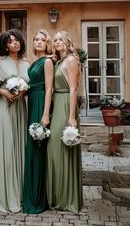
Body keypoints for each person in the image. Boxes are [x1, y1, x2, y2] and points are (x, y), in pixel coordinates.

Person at [0, 29, 30, 212]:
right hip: (3, 107)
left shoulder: (26, 63)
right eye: (10, 41)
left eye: (17, 40)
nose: (15, 43)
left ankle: (21, 193)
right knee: (7, 148)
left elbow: (29, 86)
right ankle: (5, 194)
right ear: (5, 45)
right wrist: (4, 92)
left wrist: (23, 91)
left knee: (19, 146)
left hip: (20, 108)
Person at [46, 31, 83, 214]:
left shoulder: (71, 61)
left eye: (61, 39)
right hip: (58, 104)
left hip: (66, 105)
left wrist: (71, 116)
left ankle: (67, 198)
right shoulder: (59, 61)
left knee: (61, 148)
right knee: (55, 149)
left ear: (68, 43)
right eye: (55, 40)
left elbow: (74, 89)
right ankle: (58, 195)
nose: (57, 41)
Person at [23, 29, 54, 214]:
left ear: (47, 43)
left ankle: (37, 199)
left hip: (41, 102)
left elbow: (49, 88)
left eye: (43, 39)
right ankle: (30, 194)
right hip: (32, 99)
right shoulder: (35, 62)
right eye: (36, 39)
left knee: (38, 146)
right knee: (32, 147)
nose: (39, 42)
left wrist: (45, 114)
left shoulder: (48, 61)